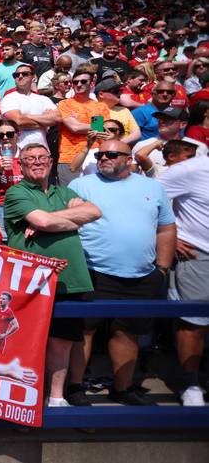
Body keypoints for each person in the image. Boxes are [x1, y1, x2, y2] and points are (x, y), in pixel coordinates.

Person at [67, 140, 177, 405]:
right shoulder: (80, 185)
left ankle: (123, 388)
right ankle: (74, 387)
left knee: (128, 332)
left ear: (129, 159)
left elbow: (166, 228)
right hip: (93, 271)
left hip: (141, 275)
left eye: (111, 154)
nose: (104, 158)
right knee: (83, 331)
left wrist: (162, 269)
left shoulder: (153, 187)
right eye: (100, 154)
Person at [4, 143, 101, 406]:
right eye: (30, 159)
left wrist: (49, 220)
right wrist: (70, 220)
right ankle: (27, 399)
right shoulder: (16, 192)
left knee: (63, 341)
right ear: (20, 165)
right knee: (28, 341)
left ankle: (56, 397)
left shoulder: (65, 191)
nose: (37, 162)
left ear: (50, 162)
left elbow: (94, 212)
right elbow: (44, 222)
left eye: (42, 157)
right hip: (30, 282)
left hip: (70, 280)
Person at [159, 154, 209, 406]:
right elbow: (147, 199)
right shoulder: (190, 169)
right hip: (199, 255)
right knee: (194, 324)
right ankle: (191, 384)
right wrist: (170, 238)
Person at [56, 69, 110, 186]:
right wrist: (96, 126)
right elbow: (75, 128)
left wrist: (87, 126)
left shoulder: (100, 106)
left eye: (83, 81)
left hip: (95, 156)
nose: (78, 84)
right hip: (69, 157)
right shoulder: (64, 104)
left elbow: (104, 130)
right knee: (71, 194)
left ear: (92, 84)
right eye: (75, 82)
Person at [133, 107, 207, 177]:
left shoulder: (198, 147)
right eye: (160, 119)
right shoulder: (143, 146)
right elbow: (133, 172)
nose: (162, 121)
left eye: (168, 119)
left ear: (183, 124)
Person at [0, 63, 59, 148]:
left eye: (25, 74)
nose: (20, 76)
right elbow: (18, 122)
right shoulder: (9, 98)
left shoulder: (44, 99)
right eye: (16, 75)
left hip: (42, 149)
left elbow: (57, 118)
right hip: (19, 150)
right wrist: (46, 122)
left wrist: (27, 116)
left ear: (33, 77)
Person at [94, 78, 141, 145]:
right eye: (116, 91)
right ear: (101, 94)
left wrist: (120, 143)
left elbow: (137, 133)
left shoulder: (124, 110)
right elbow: (97, 134)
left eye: (120, 90)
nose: (119, 93)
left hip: (124, 147)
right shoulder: (94, 110)